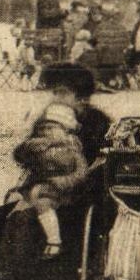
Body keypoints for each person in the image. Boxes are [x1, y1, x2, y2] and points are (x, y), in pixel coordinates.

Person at [0, 66, 108, 280]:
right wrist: (34, 149)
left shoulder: (96, 122)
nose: (56, 97)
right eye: (54, 92)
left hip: (79, 195)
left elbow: (94, 168)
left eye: (62, 92)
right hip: (42, 190)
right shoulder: (50, 118)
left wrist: (59, 185)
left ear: (80, 96)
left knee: (34, 225)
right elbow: (24, 155)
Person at [8, 93, 90, 257]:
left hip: (62, 191)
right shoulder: (38, 147)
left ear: (65, 130)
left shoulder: (72, 150)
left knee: (42, 201)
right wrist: (31, 146)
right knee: (13, 202)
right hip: (35, 186)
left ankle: (54, 241)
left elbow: (81, 173)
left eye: (52, 128)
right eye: (43, 129)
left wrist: (63, 181)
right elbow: (20, 157)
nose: (46, 132)